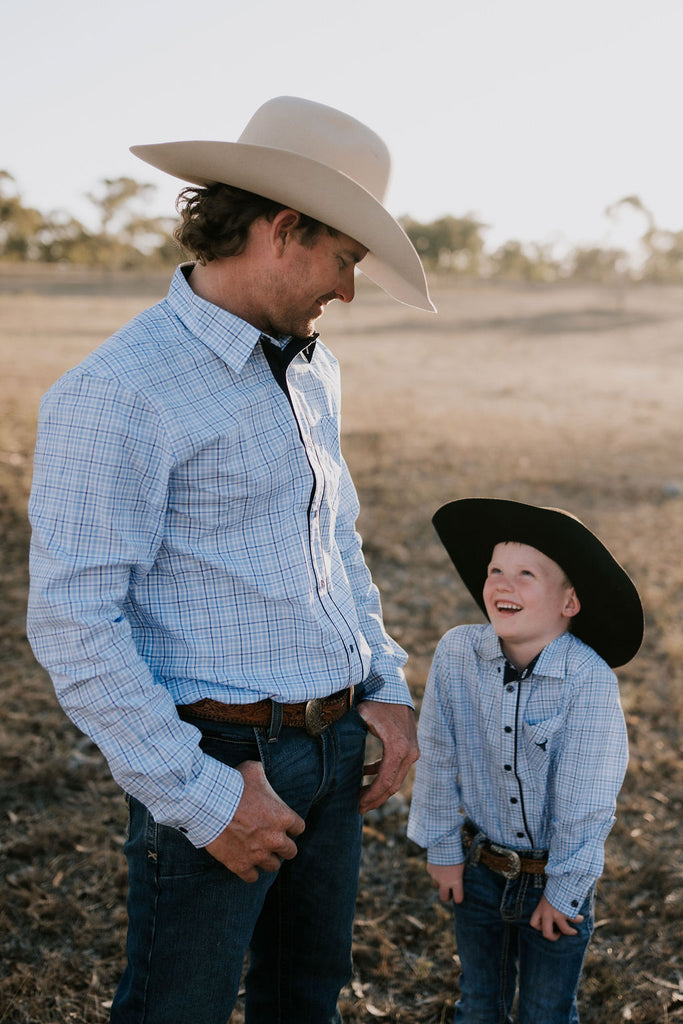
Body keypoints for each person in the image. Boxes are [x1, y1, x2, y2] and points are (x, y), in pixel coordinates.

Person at [27, 95, 435, 1024]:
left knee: (304, 999)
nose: (349, 289)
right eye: (346, 259)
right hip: (222, 760)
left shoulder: (310, 365)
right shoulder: (118, 391)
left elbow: (330, 538)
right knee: (178, 1008)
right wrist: (204, 800)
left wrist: (383, 685)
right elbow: (73, 621)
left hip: (336, 746)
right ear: (284, 228)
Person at [407, 498, 643, 1024]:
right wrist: (443, 846)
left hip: (554, 875)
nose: (502, 584)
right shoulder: (456, 653)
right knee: (478, 1005)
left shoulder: (588, 680)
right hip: (479, 867)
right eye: (495, 570)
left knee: (545, 1012)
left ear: (569, 603)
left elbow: (588, 799)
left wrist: (562, 890)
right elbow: (439, 754)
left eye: (526, 574)